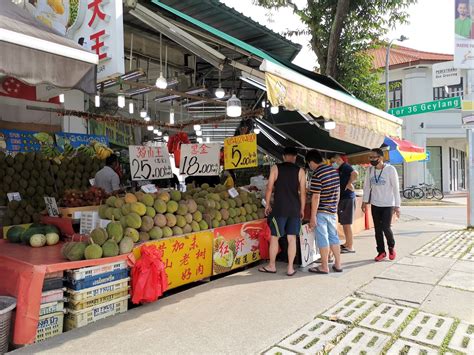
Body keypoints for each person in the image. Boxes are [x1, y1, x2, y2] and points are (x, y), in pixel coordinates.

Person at [258, 146, 306, 276]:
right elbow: (303, 193)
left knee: (275, 237)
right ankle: (290, 268)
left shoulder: (276, 168)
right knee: (292, 239)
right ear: (295, 157)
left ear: (283, 157)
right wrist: (301, 209)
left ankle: (272, 266)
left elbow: (269, 188)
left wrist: (267, 204)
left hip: (280, 209)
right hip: (294, 209)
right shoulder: (300, 171)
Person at [306, 150, 342, 274]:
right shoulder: (333, 170)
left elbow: (316, 197)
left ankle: (324, 266)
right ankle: (338, 264)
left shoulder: (317, 174)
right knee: (334, 237)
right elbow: (338, 191)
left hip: (321, 211)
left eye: (309, 164)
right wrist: (335, 207)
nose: (309, 166)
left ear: (311, 162)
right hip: (332, 210)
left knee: (323, 238)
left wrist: (312, 217)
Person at [362, 148, 401, 262]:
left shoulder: (390, 169)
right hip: (375, 203)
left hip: (388, 204)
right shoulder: (370, 170)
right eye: (370, 157)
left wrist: (397, 206)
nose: (372, 159)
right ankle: (381, 252)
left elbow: (396, 188)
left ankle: (391, 247)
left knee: (386, 227)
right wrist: (364, 202)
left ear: (381, 158)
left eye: (374, 157)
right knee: (377, 230)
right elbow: (367, 187)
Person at [330, 154, 358, 253]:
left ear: (338, 159)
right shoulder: (341, 168)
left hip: (347, 198)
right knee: (345, 223)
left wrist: (350, 183)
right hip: (344, 198)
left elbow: (355, 173)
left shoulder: (345, 166)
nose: (332, 163)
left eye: (333, 161)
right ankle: (347, 243)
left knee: (347, 223)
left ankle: (350, 246)